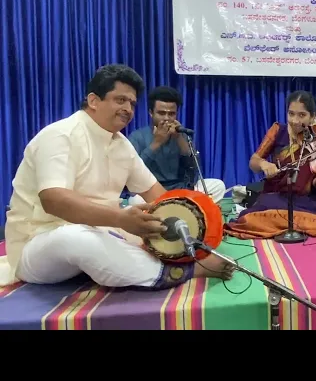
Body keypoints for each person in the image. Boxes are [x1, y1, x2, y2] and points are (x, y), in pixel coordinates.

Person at [0, 64, 234, 288]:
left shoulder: (121, 145)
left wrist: (191, 225)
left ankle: (162, 260)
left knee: (146, 231)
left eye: (132, 103)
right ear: (94, 100)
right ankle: (183, 271)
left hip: (103, 232)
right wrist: (120, 219)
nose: (128, 109)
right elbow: (54, 200)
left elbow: (157, 194)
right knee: (77, 238)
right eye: (120, 100)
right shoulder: (60, 135)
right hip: (40, 243)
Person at [224, 90, 316, 240]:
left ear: (312, 116)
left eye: (302, 115)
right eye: (291, 114)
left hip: (309, 200)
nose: (295, 120)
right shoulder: (278, 131)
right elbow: (253, 162)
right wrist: (264, 164)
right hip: (279, 197)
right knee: (257, 212)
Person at [127, 86, 226, 205]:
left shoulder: (181, 134)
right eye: (161, 113)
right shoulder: (137, 136)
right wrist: (157, 143)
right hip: (150, 191)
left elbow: (195, 171)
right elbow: (132, 171)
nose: (166, 118)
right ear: (151, 113)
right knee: (136, 200)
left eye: (171, 114)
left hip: (180, 190)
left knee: (218, 185)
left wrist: (179, 139)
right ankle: (180, 207)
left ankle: (174, 206)